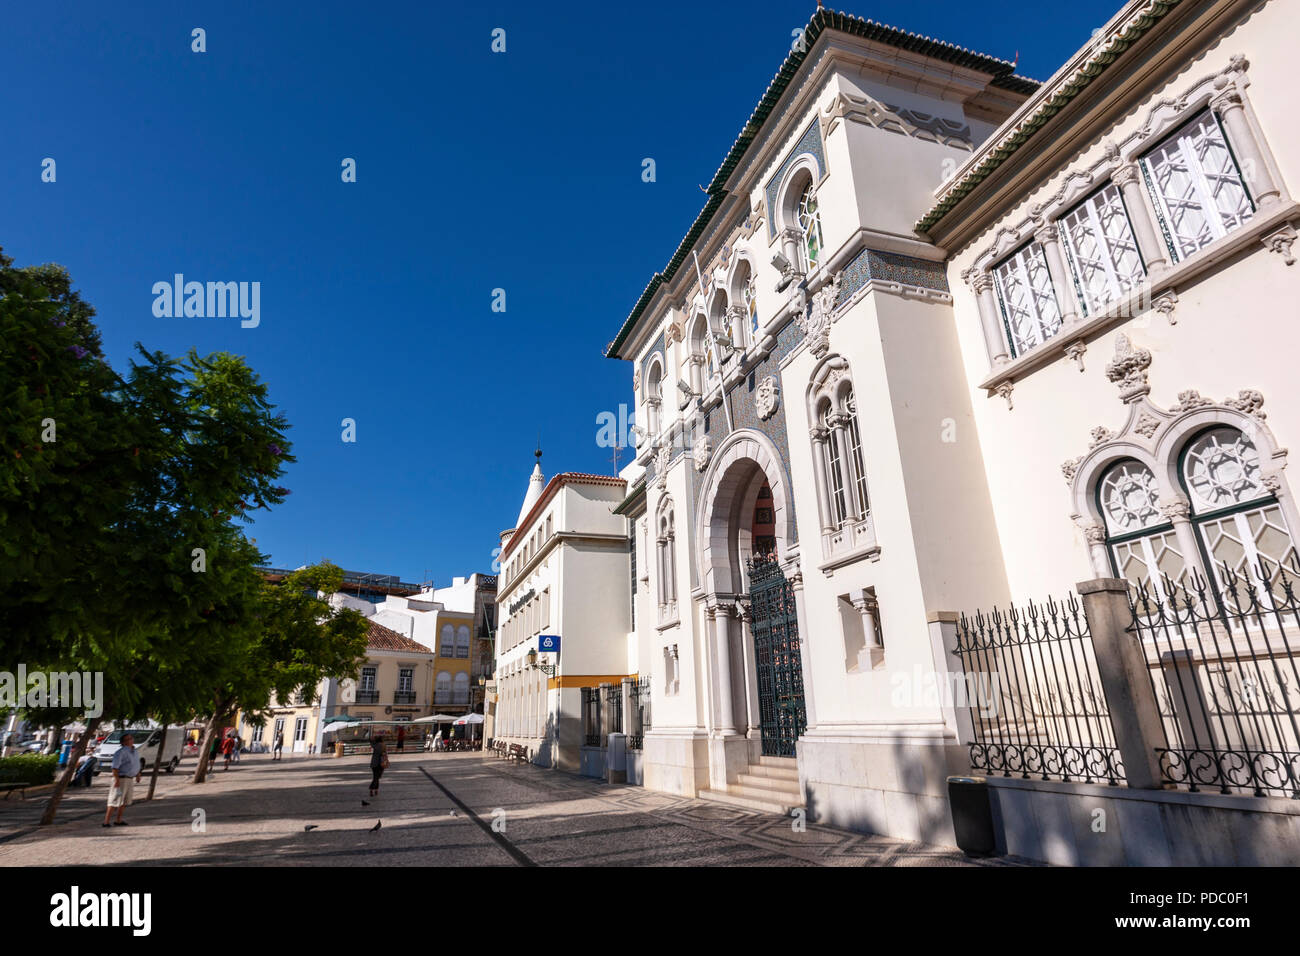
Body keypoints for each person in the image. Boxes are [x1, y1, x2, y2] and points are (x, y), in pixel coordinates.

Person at [103, 732, 143, 827]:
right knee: (114, 800)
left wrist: (138, 774)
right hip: (121, 779)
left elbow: (135, 764)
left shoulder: (135, 751)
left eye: (131, 738)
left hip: (129, 779)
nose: (130, 741)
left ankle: (118, 820)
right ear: (123, 742)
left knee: (124, 801)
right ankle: (106, 821)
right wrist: (116, 779)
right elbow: (115, 767)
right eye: (128, 739)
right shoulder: (120, 752)